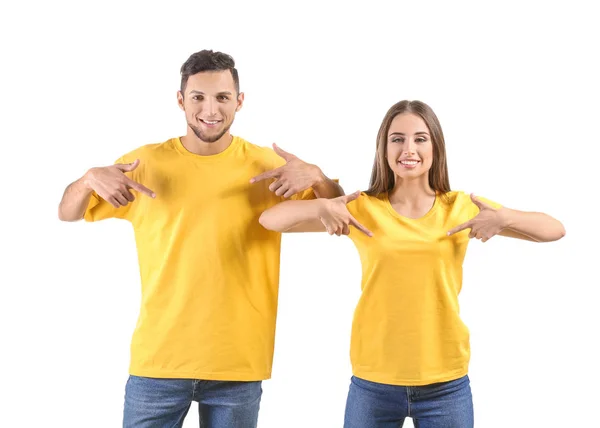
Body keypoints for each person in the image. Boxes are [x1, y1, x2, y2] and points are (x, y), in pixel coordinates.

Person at [57, 49, 343, 428]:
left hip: (237, 363)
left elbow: (340, 211)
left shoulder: (268, 168)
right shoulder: (145, 164)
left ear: (239, 102)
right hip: (158, 360)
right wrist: (88, 178)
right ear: (180, 100)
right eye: (198, 97)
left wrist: (318, 177)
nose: (211, 109)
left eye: (223, 97)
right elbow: (68, 211)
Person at [258, 100, 565, 428]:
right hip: (373, 381)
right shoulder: (362, 207)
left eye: (420, 138)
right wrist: (320, 206)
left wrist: (504, 218)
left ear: (435, 147)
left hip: (445, 384)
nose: (409, 148)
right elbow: (270, 219)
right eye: (397, 138)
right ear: (384, 148)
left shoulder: (461, 207)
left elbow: (554, 229)